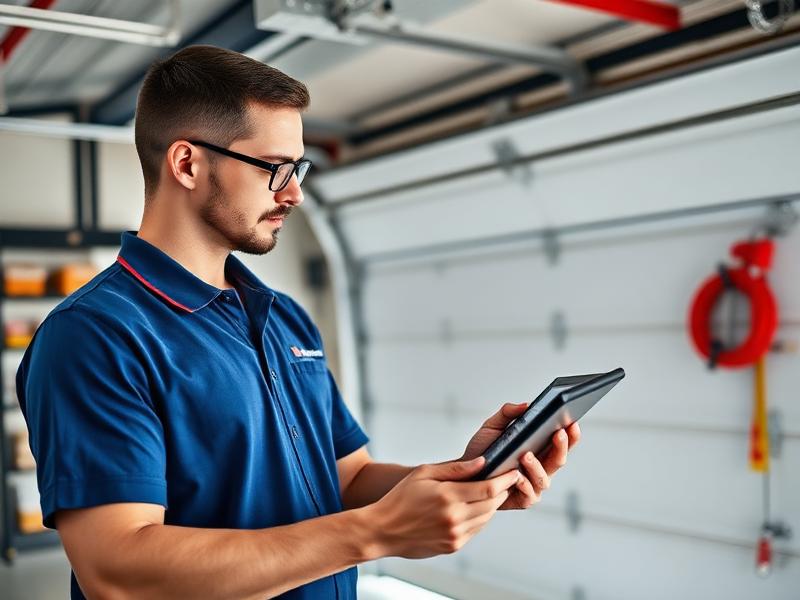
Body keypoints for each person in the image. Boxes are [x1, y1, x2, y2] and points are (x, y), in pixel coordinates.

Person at [16, 45, 581, 600]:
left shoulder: (282, 317)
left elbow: (346, 479)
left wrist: (467, 475)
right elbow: (119, 574)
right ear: (187, 163)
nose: (295, 192)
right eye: (275, 168)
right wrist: (377, 532)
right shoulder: (94, 335)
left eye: (299, 167)